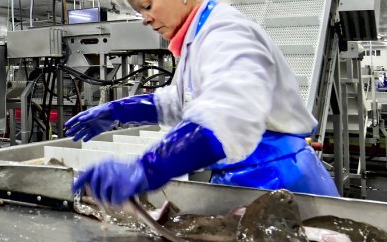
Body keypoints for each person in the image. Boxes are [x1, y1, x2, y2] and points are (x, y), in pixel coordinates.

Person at [66, 0, 338, 205]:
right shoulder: (198, 37)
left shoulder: (225, 32)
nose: (145, 19)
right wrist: (119, 110)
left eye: (148, 5)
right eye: (139, 11)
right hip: (244, 176)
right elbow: (184, 100)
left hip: (278, 180)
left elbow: (228, 115)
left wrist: (146, 169)